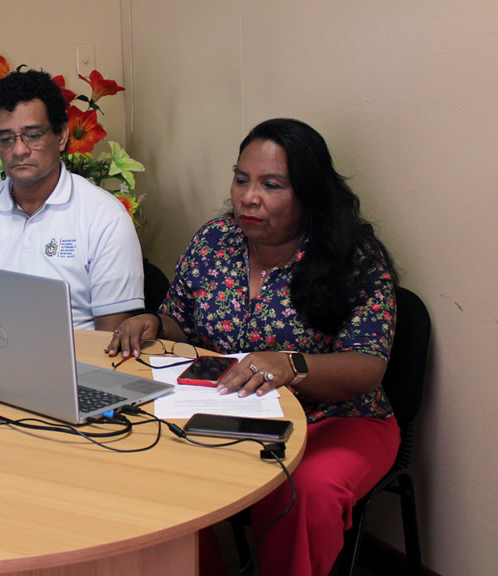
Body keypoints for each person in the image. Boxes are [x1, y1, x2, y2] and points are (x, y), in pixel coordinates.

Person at [107, 118, 399, 575]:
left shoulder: (353, 258)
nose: (248, 196)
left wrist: (292, 364)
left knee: (302, 490)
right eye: (241, 179)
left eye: (272, 185)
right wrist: (150, 322)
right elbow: (180, 320)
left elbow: (368, 367)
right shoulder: (215, 240)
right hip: (226, 409)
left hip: (335, 419)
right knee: (155, 462)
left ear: (308, 193)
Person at [0, 68, 145, 342]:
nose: (19, 150)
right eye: (7, 138)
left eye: (32, 135)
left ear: (61, 136)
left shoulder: (105, 217)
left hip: (78, 371)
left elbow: (112, 340)